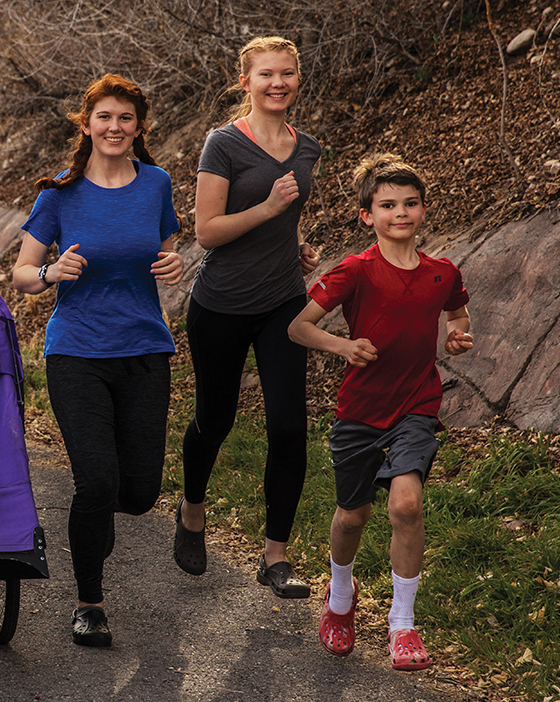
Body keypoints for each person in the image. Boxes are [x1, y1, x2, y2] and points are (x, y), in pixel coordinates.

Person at [11, 74, 184, 647]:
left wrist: (172, 266)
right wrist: (48, 274)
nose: (115, 127)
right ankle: (89, 602)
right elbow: (20, 275)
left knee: (137, 493)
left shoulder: (156, 184)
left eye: (126, 118)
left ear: (139, 127)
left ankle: (95, 517)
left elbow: (163, 251)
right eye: (104, 117)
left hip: (144, 350)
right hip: (77, 351)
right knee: (95, 483)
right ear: (86, 125)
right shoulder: (59, 193)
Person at [288, 153, 471, 671]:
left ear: (424, 210)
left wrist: (458, 335)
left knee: (406, 506)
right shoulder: (355, 271)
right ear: (367, 215)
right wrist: (342, 347)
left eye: (410, 203)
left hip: (416, 403)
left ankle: (403, 625)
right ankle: (340, 600)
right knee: (353, 515)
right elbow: (299, 328)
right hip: (360, 410)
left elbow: (458, 311)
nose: (401, 213)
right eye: (388, 205)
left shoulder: (442, 272)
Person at [177, 36, 322, 597]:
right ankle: (192, 511)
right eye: (266, 75)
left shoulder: (306, 147)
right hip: (221, 305)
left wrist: (298, 241)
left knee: (289, 425)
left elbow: (288, 215)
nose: (277, 83)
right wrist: (268, 209)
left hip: (283, 301)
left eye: (287, 74)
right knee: (216, 421)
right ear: (246, 82)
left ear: (297, 80)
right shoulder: (223, 144)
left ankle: (275, 557)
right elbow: (206, 231)